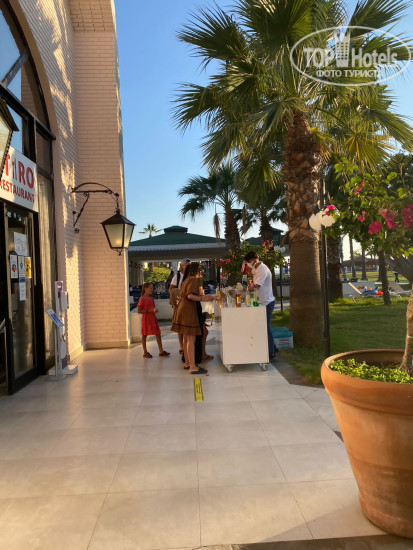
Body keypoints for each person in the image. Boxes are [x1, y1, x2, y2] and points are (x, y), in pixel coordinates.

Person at [171, 262, 215, 374]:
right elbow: (190, 295)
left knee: (187, 338)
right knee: (191, 339)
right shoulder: (193, 280)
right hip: (188, 311)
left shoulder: (187, 279)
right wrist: (202, 299)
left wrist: (203, 297)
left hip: (183, 310)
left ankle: (187, 363)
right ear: (197, 270)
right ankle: (193, 367)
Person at [243, 251, 277, 360]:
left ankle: (271, 352)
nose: (248, 264)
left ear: (254, 260)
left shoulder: (263, 269)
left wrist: (244, 289)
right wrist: (245, 267)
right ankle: (273, 347)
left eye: (248, 262)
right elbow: (250, 271)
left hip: (267, 302)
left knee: (266, 327)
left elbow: (257, 286)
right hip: (260, 301)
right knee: (261, 326)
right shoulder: (256, 268)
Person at [138, 282, 170, 358]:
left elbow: (152, 308)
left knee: (158, 333)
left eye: (152, 288)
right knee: (144, 335)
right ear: (145, 289)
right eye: (150, 288)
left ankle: (161, 351)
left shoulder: (151, 299)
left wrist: (154, 310)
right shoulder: (142, 299)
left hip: (152, 318)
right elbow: (139, 311)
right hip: (146, 319)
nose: (152, 290)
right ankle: (145, 352)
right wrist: (149, 311)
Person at [169, 259, 191, 353]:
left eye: (189, 265)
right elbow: (171, 289)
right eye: (187, 265)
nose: (188, 266)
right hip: (179, 304)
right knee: (180, 326)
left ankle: (188, 345)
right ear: (182, 265)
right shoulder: (177, 276)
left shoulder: (191, 276)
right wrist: (179, 294)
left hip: (189, 303)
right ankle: (181, 346)